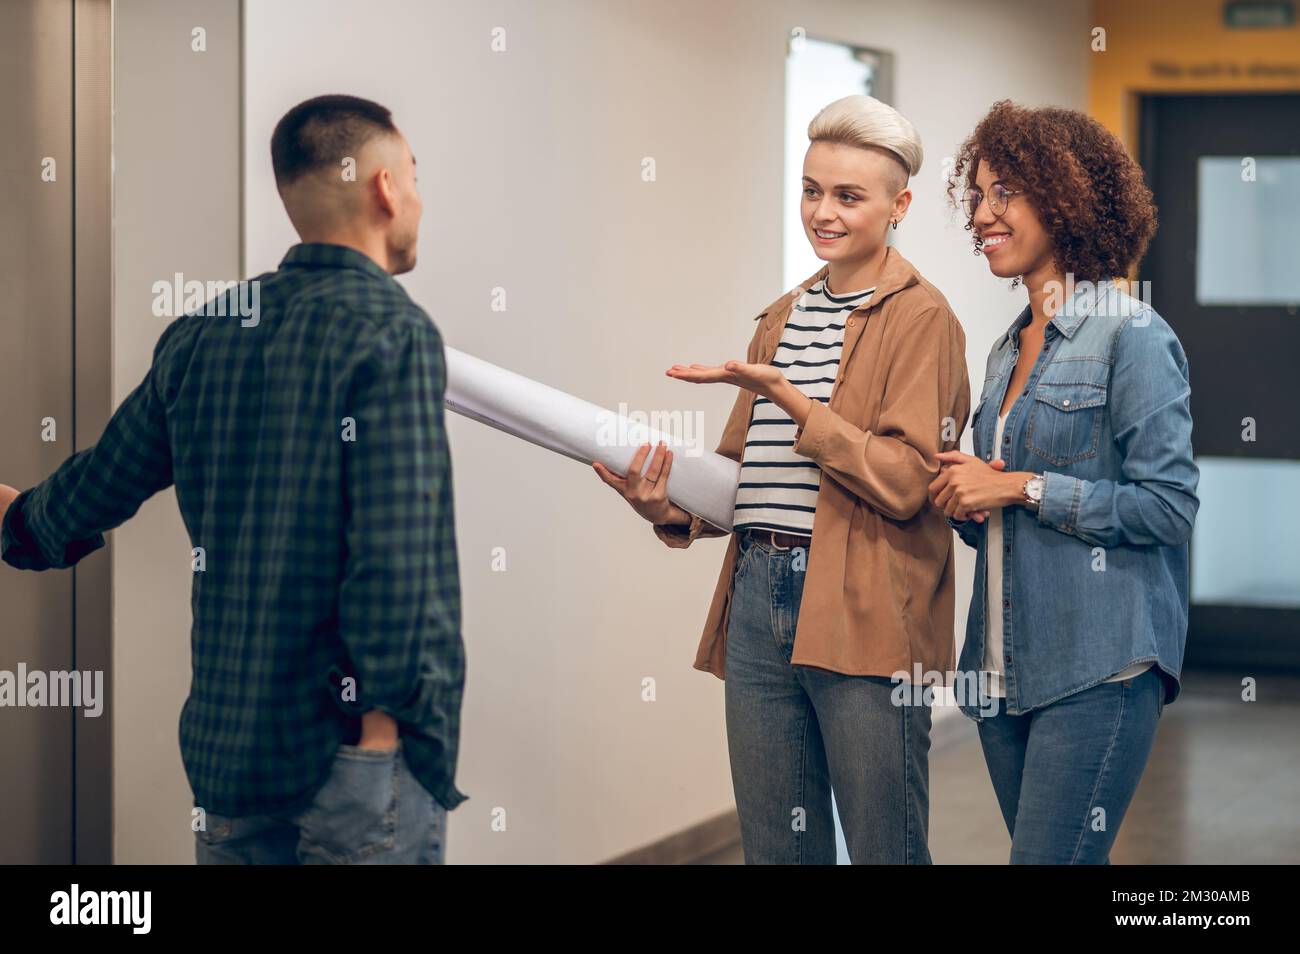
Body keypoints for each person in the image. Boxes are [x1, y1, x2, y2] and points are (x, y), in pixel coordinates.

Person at [0, 94, 465, 864]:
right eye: (413, 174)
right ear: (384, 187)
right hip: (350, 763)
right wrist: (381, 733)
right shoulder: (392, 329)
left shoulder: (205, 332)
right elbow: (393, 557)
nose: (417, 194)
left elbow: (103, 483)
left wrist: (19, 522)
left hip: (232, 748)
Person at [594, 95, 969, 864]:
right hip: (758, 593)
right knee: (776, 849)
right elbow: (744, 474)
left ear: (899, 205)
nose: (822, 212)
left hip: (865, 609)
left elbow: (905, 481)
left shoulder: (922, 318)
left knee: (884, 848)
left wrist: (794, 399)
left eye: (847, 196)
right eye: (810, 189)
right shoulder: (783, 315)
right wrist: (671, 505)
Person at [930, 100, 1199, 863]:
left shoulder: (1133, 335)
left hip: (1099, 668)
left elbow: (1169, 507)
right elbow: (994, 515)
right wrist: (961, 492)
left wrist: (1022, 489)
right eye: (977, 195)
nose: (983, 213)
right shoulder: (1003, 352)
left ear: (1066, 195)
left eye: (1004, 192)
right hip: (1001, 673)